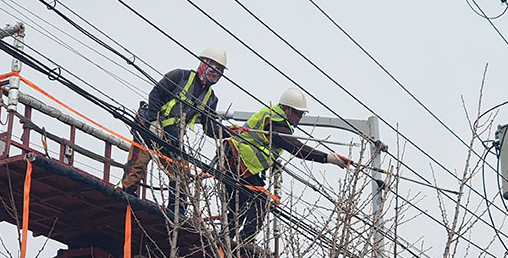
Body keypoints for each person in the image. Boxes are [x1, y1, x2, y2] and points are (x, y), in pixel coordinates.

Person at [224, 87, 351, 241]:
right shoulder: (276, 124)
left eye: (301, 114)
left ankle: (227, 240)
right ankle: (243, 242)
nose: (299, 118)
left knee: (240, 207)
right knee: (259, 201)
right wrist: (327, 158)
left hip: (239, 162)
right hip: (237, 160)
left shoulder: (274, 117)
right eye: (297, 113)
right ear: (287, 109)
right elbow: (297, 148)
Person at [118, 47, 227, 214]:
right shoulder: (179, 76)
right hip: (149, 125)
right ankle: (126, 194)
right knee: (139, 162)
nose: (216, 73)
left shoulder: (211, 98)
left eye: (220, 71)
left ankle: (177, 210)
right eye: (214, 68)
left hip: (173, 137)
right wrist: (153, 121)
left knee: (182, 172)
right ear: (204, 64)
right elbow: (155, 94)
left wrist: (228, 134)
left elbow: (208, 126)